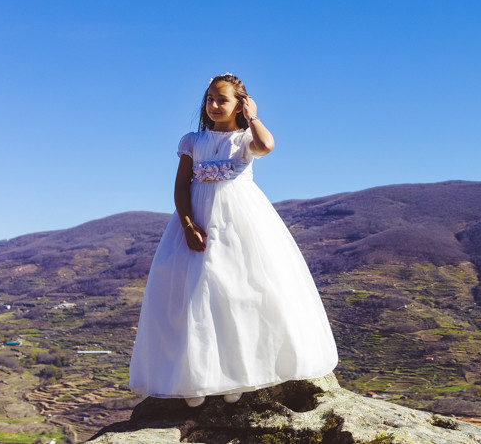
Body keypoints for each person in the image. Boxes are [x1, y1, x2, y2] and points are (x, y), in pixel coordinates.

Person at [129, 74, 338, 406]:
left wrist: (252, 116)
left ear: (238, 104)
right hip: (196, 225)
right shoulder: (192, 141)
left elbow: (267, 145)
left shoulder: (244, 140)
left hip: (240, 225)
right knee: (193, 296)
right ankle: (195, 380)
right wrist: (187, 224)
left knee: (239, 292)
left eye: (221, 100)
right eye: (209, 98)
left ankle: (238, 375)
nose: (213, 105)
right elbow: (181, 186)